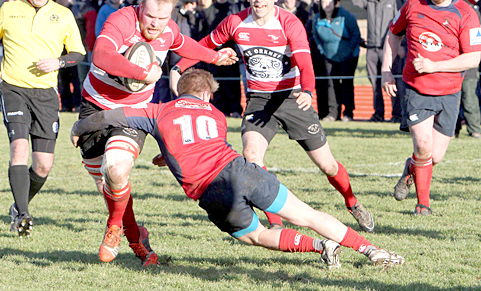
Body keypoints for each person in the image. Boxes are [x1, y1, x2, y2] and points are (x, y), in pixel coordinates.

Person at [71, 69, 405, 268]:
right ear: (205, 94)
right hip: (241, 169)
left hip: (213, 191)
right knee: (307, 213)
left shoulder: (158, 111)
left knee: (257, 236)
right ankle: (372, 250)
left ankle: (319, 247)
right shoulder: (215, 116)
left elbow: (110, 117)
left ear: (179, 91)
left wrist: (79, 127)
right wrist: (169, 154)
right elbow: (199, 142)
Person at [173, 0, 375, 233]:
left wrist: (308, 90)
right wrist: (179, 67)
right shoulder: (235, 22)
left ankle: (352, 202)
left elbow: (305, 62)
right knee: (251, 155)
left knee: (328, 165)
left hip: (292, 97)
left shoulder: (289, 23)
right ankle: (276, 223)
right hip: (258, 99)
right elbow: (204, 46)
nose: (258, 0)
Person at [78, 0, 238, 266]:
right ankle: (135, 235)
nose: (155, 24)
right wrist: (141, 72)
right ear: (141, 6)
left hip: (134, 112)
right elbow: (101, 55)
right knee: (109, 185)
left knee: (116, 169)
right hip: (96, 107)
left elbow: (184, 43)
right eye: (150, 16)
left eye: (163, 18)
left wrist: (215, 56)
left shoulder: (168, 30)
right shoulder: (122, 20)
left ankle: (117, 230)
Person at [0, 0, 86, 236]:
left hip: (46, 95)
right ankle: (23, 215)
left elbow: (78, 53)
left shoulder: (63, 15)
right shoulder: (8, 9)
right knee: (18, 147)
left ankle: (18, 207)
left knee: (43, 164)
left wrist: (59, 62)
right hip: (14, 88)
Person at [381, 0, 481, 215]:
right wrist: (386, 72)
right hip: (416, 88)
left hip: (449, 92)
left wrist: (434, 66)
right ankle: (423, 205)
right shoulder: (413, 5)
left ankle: (410, 169)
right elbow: (393, 34)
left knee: (434, 156)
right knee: (423, 145)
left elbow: (473, 58)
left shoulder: (467, 14)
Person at [351, 0, 399, 122]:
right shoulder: (369, 1)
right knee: (374, 83)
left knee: (391, 82)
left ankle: (396, 114)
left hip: (388, 48)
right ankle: (378, 113)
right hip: (372, 48)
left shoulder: (393, 0)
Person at [312, 0, 360, 122]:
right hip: (329, 56)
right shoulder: (317, 18)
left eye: (329, 2)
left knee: (346, 84)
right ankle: (333, 113)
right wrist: (323, 51)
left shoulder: (346, 16)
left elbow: (356, 35)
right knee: (331, 84)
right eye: (323, 2)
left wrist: (348, 52)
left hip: (348, 56)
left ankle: (348, 113)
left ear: (335, 3)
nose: (326, 5)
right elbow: (316, 37)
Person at [456, 0, 481, 139]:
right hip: (448, 63)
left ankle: (475, 129)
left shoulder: (470, 8)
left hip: (468, 62)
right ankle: (450, 131)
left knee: (470, 98)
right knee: (450, 101)